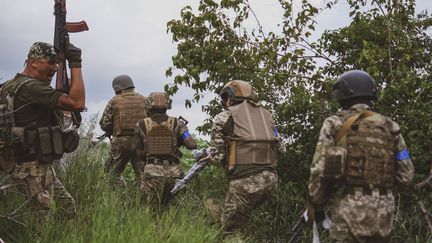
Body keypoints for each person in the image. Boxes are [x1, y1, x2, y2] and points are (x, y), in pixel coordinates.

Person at [307, 70, 414, 242]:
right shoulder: (391, 126)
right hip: (384, 209)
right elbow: (406, 175)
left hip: (349, 207)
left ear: (343, 94)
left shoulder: (334, 123)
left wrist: (316, 205)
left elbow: (319, 169)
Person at [0, 41, 85, 218]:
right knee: (42, 222)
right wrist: (75, 63)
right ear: (34, 62)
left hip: (24, 163)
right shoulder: (32, 87)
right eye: (50, 62)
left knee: (67, 209)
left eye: (56, 63)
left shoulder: (8, 86)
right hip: (31, 168)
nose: (54, 68)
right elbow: (77, 102)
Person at [200, 80, 285, 239]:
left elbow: (217, 156)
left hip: (245, 183)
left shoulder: (224, 117)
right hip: (270, 181)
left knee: (231, 231)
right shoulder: (268, 116)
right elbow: (282, 149)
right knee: (240, 220)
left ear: (229, 98)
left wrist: (210, 158)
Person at [134, 92, 196, 207]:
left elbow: (139, 154)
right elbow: (192, 144)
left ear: (148, 104)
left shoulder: (141, 124)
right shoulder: (177, 123)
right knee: (170, 209)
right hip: (174, 174)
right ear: (168, 104)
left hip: (152, 172)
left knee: (148, 210)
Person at [99, 75, 147, 186]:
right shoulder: (144, 100)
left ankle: (122, 197)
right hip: (141, 142)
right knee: (143, 175)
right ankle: (147, 200)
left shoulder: (115, 101)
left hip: (121, 142)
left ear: (117, 88)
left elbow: (104, 124)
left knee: (111, 172)